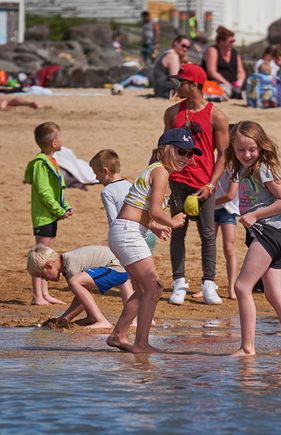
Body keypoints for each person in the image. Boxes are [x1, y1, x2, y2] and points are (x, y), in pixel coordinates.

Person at [106, 129, 194, 353]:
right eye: (181, 151)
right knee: (154, 286)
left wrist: (155, 225)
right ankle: (141, 343)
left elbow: (139, 208)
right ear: (165, 149)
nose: (186, 157)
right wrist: (171, 221)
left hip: (127, 229)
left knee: (145, 289)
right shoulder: (161, 172)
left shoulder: (156, 171)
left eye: (190, 153)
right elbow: (155, 210)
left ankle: (118, 335)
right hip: (127, 232)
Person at [225, 121, 281, 355]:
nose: (247, 154)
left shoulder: (263, 168)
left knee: (241, 287)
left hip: (271, 233)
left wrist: (254, 214)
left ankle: (247, 348)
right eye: (240, 150)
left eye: (252, 149)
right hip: (269, 234)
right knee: (273, 294)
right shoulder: (241, 169)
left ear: (261, 147)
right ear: (233, 148)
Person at [163, 64, 230, 306]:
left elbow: (222, 155)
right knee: (177, 231)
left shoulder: (216, 115)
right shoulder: (172, 113)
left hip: (204, 184)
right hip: (178, 181)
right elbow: (165, 148)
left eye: (180, 81)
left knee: (208, 234)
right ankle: (179, 282)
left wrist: (212, 185)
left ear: (193, 85)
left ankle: (209, 284)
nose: (176, 86)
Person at [27, 245, 133, 329]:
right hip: (118, 268)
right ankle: (92, 317)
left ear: (48, 266)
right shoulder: (67, 264)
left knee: (75, 282)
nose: (45, 280)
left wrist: (65, 317)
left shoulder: (71, 266)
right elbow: (81, 297)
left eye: (43, 276)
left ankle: (102, 321)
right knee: (76, 283)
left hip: (117, 269)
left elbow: (81, 302)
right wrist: (65, 318)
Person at [24, 121, 72, 306]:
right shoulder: (40, 164)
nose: (62, 141)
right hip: (43, 215)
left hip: (51, 214)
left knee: (48, 255)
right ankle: (38, 295)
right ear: (53, 143)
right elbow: (43, 192)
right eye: (60, 138)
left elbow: (56, 190)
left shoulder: (51, 161)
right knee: (41, 258)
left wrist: (64, 207)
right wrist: (59, 210)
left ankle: (45, 293)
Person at [89, 149, 163, 250]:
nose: (96, 178)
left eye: (96, 173)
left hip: (132, 237)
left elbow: (113, 221)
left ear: (105, 171)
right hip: (149, 235)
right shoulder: (130, 185)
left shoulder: (107, 192)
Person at [210, 153, 240, 300]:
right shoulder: (214, 165)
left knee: (229, 248)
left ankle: (231, 288)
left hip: (228, 210)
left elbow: (230, 195)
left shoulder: (236, 169)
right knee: (209, 247)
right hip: (212, 210)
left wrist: (209, 203)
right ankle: (208, 284)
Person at [202, 26, 246, 99]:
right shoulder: (213, 50)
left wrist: (239, 82)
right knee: (225, 89)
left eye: (233, 41)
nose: (232, 43)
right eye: (230, 41)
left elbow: (241, 72)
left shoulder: (234, 53)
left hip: (233, 86)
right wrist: (228, 84)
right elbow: (212, 72)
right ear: (221, 41)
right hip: (217, 84)